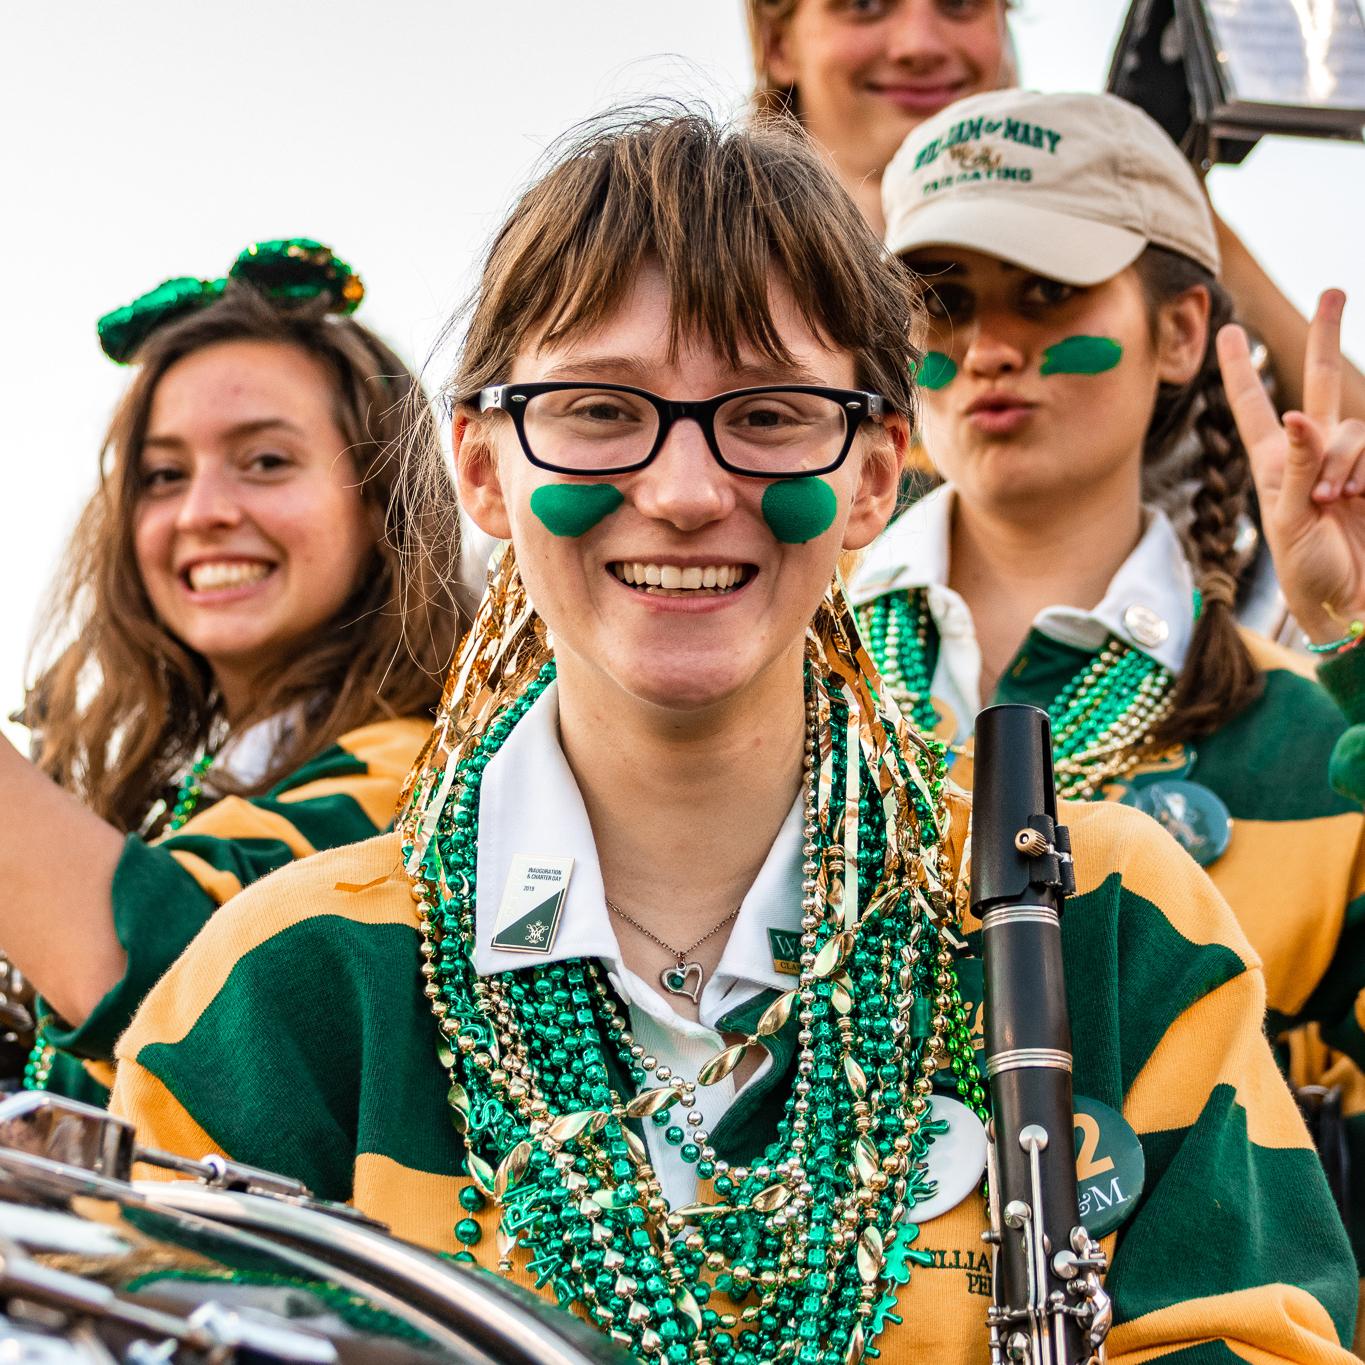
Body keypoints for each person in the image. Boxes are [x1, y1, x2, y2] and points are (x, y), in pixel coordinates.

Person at [111, 113, 1354, 1361]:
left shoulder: (1115, 917)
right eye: (600, 409)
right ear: (482, 469)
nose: (690, 491)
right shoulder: (288, 984)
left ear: (876, 474)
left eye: (767, 413)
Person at [856, 80, 1365, 1323]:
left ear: (1182, 331)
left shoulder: (1304, 730)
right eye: (945, 302)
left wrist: (1362, 630)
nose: (987, 348)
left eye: (1047, 293)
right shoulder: (762, 686)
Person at [0, 240, 461, 1103]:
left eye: (265, 462)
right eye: (163, 475)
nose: (204, 512)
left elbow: (179, 974)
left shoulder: (421, 774)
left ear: (381, 497)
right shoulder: (207, 780)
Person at [744, 0, 1365, 431]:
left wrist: (1170, 208)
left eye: (961, 4)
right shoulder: (714, 261)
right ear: (778, 43)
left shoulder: (1112, 230)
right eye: (865, 4)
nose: (920, 46)